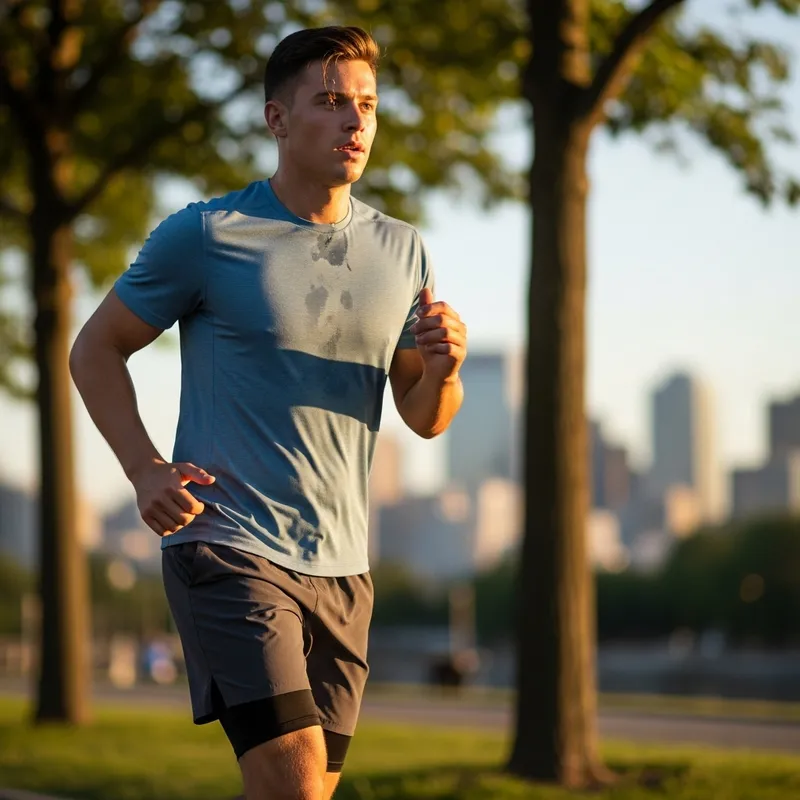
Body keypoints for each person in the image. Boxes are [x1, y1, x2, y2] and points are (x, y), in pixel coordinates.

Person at [70, 25, 467, 800]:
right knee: (291, 781)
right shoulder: (209, 236)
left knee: (306, 792)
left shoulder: (403, 252)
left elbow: (423, 415)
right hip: (230, 547)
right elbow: (95, 348)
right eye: (329, 102)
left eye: (366, 105)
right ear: (276, 121)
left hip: (345, 567)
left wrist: (446, 370)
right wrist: (144, 467)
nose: (355, 122)